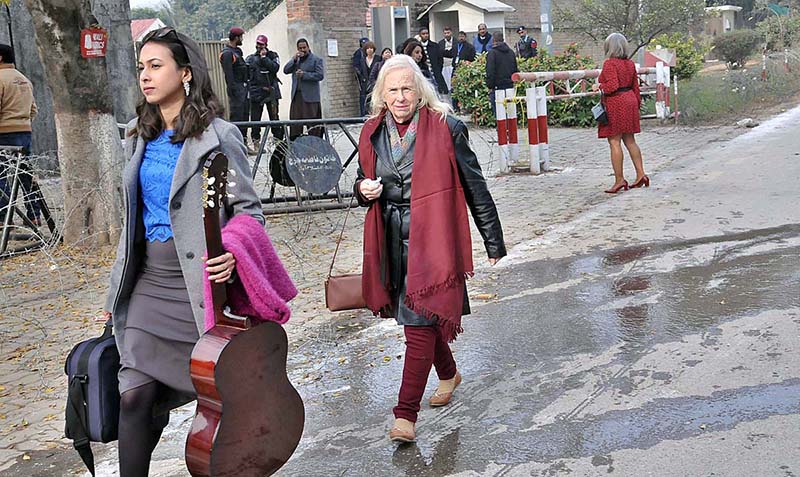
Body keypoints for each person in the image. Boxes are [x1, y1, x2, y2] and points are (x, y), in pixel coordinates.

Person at [104, 27, 264, 476]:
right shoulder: (138, 134)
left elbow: (249, 212)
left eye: (156, 66)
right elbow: (133, 218)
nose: (145, 77)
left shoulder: (219, 137)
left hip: (199, 290)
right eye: (141, 68)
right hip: (148, 287)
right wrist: (117, 288)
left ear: (186, 73)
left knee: (216, 399)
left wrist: (233, 250)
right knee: (134, 395)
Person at [355, 54, 506, 443]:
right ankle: (449, 373)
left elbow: (475, 186)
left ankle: (405, 414)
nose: (401, 97)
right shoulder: (371, 132)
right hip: (389, 241)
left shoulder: (447, 128)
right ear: (382, 95)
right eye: (394, 90)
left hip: (433, 240)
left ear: (420, 90)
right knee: (424, 315)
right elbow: (362, 181)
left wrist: (493, 239)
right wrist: (362, 190)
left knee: (418, 325)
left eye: (408, 88)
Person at [591, 33, 648, 193]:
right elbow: (635, 87)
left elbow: (612, 86)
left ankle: (619, 180)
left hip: (617, 102)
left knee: (614, 142)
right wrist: (636, 104)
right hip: (630, 99)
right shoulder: (630, 64)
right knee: (630, 140)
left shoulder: (610, 64)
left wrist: (599, 86)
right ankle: (641, 174)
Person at [0, 43, 41, 226]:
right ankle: (34, 214)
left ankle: (2, 217)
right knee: (25, 174)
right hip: (24, 132)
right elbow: (33, 110)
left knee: (2, 176)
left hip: (3, 133)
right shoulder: (24, 79)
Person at [283, 38, 325, 139]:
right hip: (297, 97)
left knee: (313, 127)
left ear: (308, 47)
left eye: (304, 48)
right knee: (295, 126)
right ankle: (296, 147)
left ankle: (316, 147)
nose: (302, 50)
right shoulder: (295, 61)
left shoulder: (316, 60)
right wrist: (293, 59)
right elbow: (286, 70)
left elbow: (320, 75)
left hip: (310, 99)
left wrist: (304, 75)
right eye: (300, 48)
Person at [246, 34, 283, 144]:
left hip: (271, 93)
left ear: (266, 45)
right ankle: (256, 143)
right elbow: (247, 75)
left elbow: (275, 68)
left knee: (274, 118)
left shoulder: (273, 56)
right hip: (257, 93)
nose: (259, 46)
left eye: (261, 44)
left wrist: (264, 58)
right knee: (255, 119)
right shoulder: (250, 58)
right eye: (258, 44)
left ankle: (279, 142)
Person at [219, 27, 249, 141]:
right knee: (238, 117)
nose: (242, 39)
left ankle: (244, 142)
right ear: (236, 38)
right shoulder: (227, 54)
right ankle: (236, 143)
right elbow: (229, 74)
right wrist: (234, 91)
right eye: (240, 37)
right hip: (237, 89)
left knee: (245, 116)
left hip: (243, 87)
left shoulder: (237, 52)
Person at [485, 32, 518, 116]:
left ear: (494, 40)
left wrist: (490, 86)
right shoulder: (511, 52)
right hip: (509, 86)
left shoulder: (492, 53)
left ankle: (501, 129)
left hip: (497, 87)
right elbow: (515, 69)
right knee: (510, 112)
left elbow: (490, 71)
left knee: (499, 113)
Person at [418, 27, 447, 97]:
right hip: (423, 73)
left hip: (435, 73)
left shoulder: (434, 46)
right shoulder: (418, 46)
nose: (425, 35)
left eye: (427, 33)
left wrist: (438, 69)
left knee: (440, 92)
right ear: (420, 35)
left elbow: (440, 59)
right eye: (423, 34)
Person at [356, 41, 379, 116]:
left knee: (374, 99)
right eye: (368, 48)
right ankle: (363, 115)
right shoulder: (362, 60)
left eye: (371, 48)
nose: (370, 50)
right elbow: (360, 71)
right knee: (364, 99)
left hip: (375, 82)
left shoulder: (378, 58)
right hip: (365, 83)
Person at [352, 37, 369, 115]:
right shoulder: (358, 53)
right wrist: (361, 76)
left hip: (370, 76)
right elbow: (356, 66)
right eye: (363, 43)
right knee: (363, 96)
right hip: (362, 78)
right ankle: (363, 114)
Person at [439, 26, 455, 96]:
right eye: (445, 33)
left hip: (453, 66)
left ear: (451, 33)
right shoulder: (440, 43)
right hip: (444, 66)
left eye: (448, 33)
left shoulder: (456, 42)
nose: (447, 35)